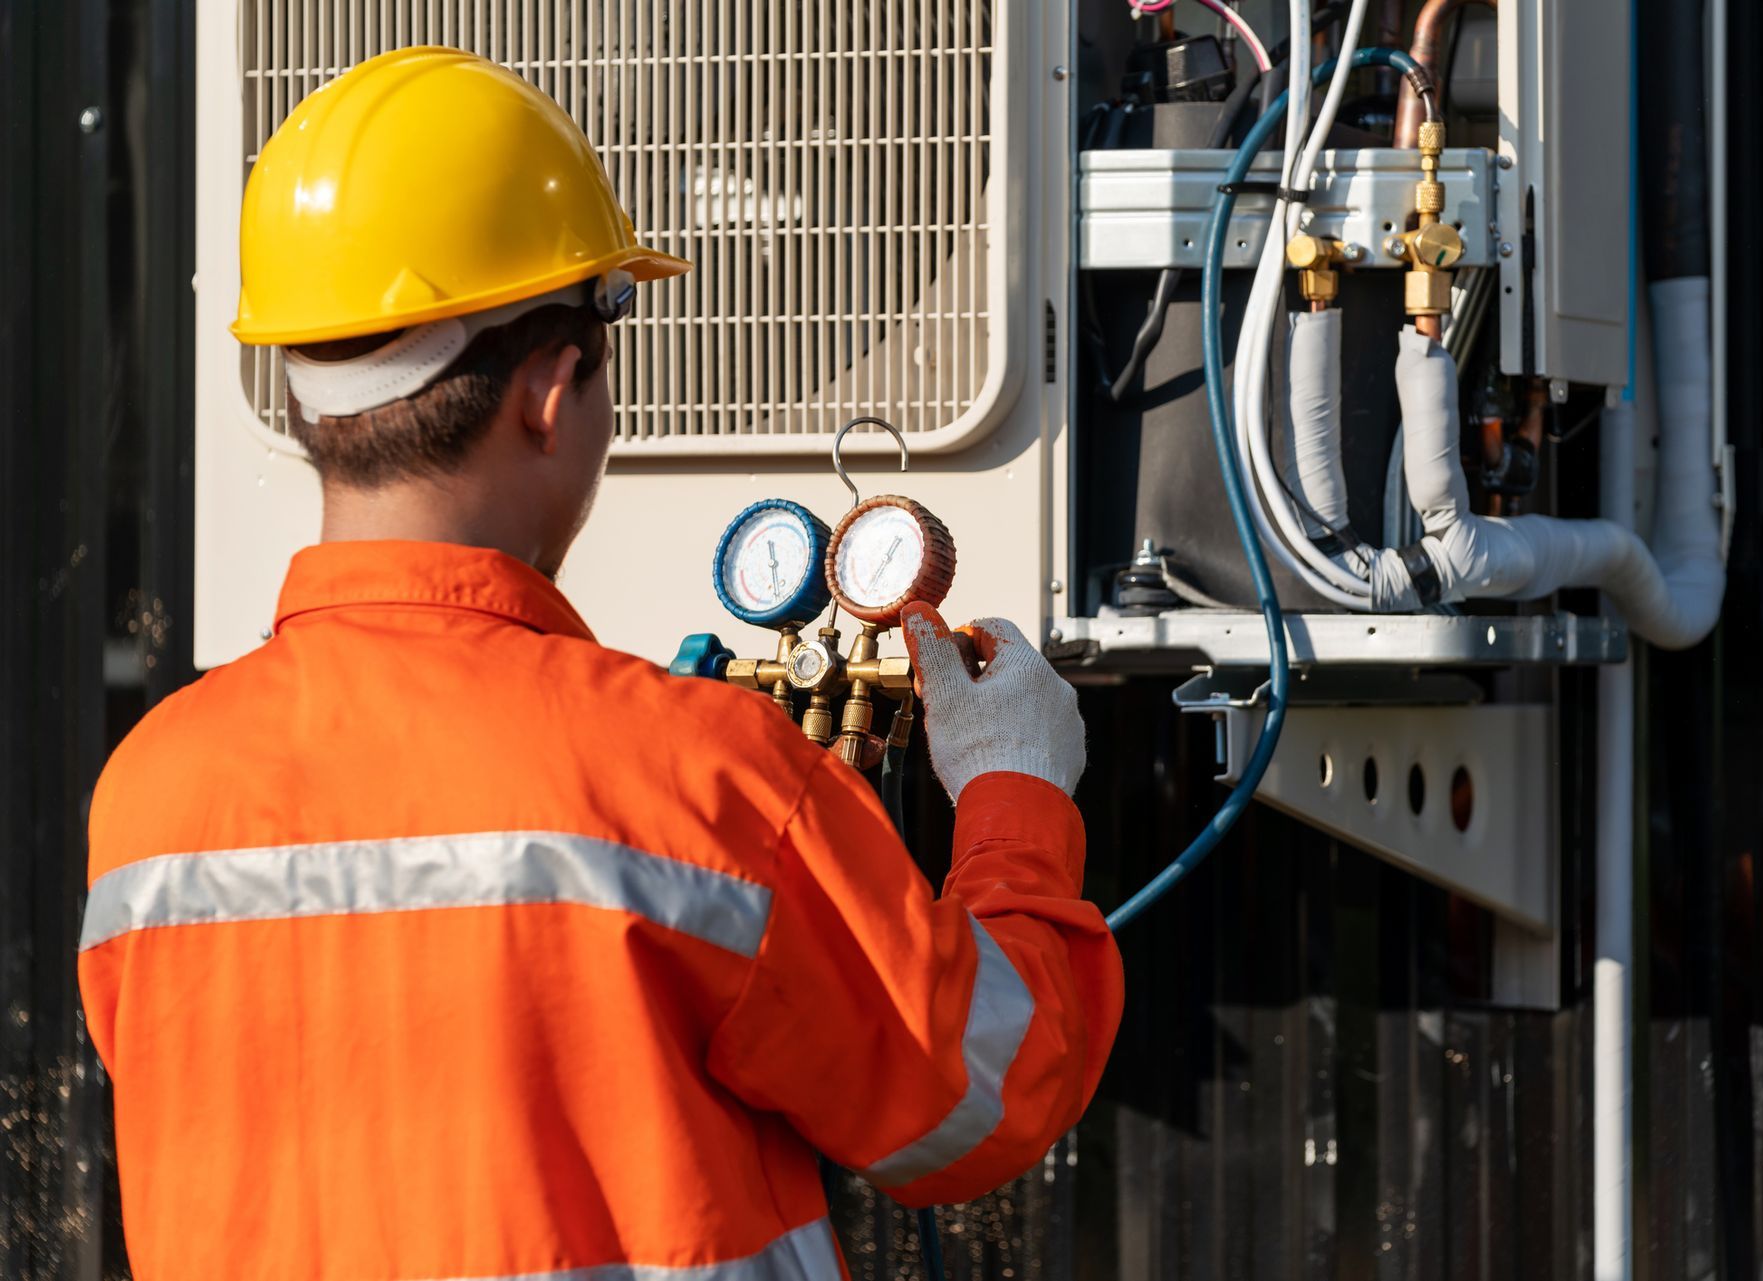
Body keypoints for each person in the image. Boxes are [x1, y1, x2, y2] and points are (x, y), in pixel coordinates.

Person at [77, 46, 1121, 1281]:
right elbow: (986, 1091)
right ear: (554, 389)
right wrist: (1016, 795)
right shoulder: (699, 777)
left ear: (308, 399)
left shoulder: (147, 802)